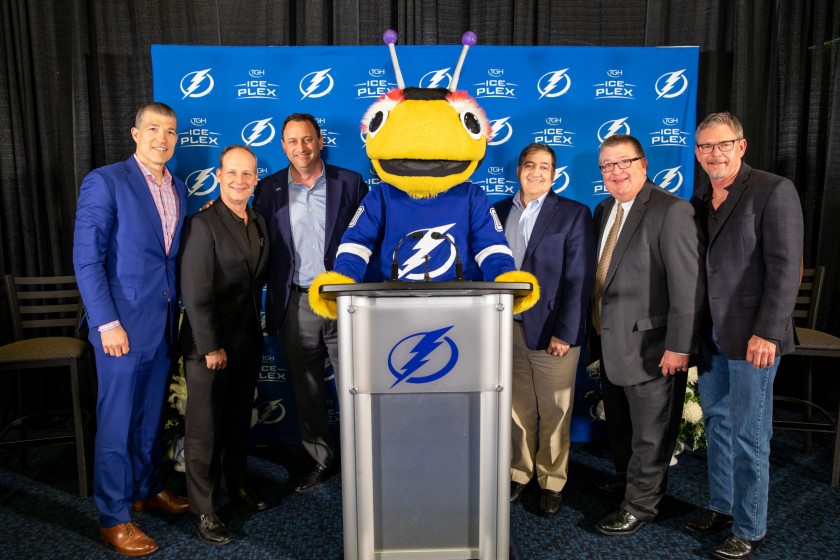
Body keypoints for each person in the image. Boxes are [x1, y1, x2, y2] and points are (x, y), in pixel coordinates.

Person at [683, 112, 803, 560]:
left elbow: (786, 266)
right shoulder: (699, 197)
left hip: (755, 336)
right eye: (705, 147)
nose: (714, 153)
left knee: (750, 432)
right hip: (712, 334)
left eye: (723, 144)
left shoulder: (773, 190)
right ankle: (721, 505)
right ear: (697, 152)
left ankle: (750, 526)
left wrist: (768, 332)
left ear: (742, 145)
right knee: (717, 421)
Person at [73, 102, 189, 556]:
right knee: (117, 423)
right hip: (118, 327)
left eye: (171, 131)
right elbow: (87, 259)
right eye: (154, 129)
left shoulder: (178, 186)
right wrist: (106, 322)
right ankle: (113, 517)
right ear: (135, 133)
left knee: (147, 421)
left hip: (160, 324)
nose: (163, 138)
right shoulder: (105, 181)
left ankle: (145, 490)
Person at [591, 134, 704, 536]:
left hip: (654, 348)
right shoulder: (604, 209)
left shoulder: (671, 210)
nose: (616, 172)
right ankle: (627, 484)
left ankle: (641, 505)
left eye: (624, 163)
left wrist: (679, 346)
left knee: (651, 434)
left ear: (643, 164)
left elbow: (687, 284)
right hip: (611, 342)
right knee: (621, 427)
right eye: (607, 166)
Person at [252, 113, 367, 492]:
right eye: (291, 141)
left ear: (319, 141)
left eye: (306, 139)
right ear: (283, 146)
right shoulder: (268, 190)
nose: (300, 148)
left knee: (357, 385)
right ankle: (321, 459)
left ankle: (363, 460)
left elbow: (373, 235)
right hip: (297, 303)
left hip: (346, 302)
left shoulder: (349, 182)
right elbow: (251, 233)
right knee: (307, 389)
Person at [493, 143, 595, 517]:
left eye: (545, 167)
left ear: (554, 174)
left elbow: (579, 279)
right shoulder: (497, 211)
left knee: (554, 410)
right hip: (507, 328)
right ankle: (519, 471)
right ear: (518, 169)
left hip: (553, 331)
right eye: (530, 165)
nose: (536, 172)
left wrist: (566, 333)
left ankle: (552, 479)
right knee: (518, 409)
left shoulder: (573, 213)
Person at [179, 145, 269, 545]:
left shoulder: (259, 222)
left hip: (246, 341)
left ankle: (237, 486)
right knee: (204, 430)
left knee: (236, 423)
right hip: (210, 346)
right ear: (219, 176)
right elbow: (195, 292)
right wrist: (210, 346)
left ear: (255, 179)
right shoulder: (202, 224)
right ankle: (203, 509)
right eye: (232, 173)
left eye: (247, 174)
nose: (239, 180)